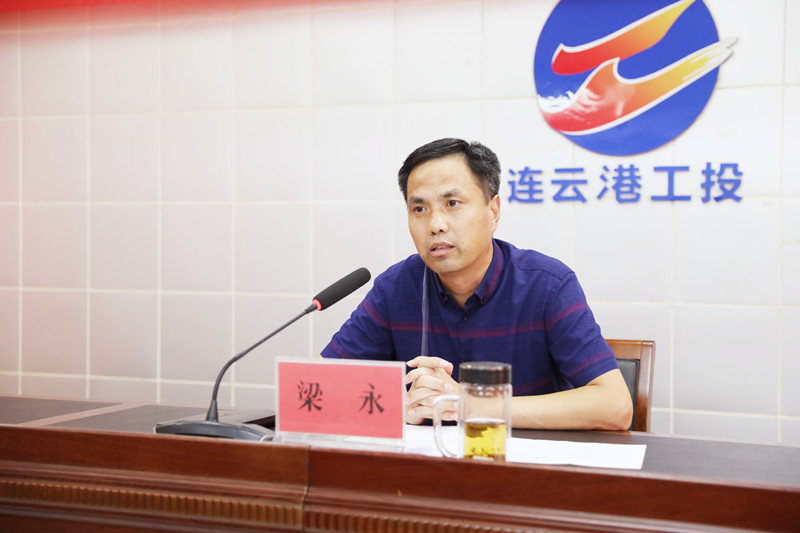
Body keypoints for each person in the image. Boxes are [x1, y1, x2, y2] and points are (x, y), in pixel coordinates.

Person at [321, 138, 632, 430]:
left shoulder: (547, 285)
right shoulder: (395, 288)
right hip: (425, 466)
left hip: (520, 463)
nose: (436, 224)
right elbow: (320, 389)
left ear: (493, 211)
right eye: (419, 209)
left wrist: (469, 405)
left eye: (452, 203)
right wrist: (396, 407)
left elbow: (615, 407)